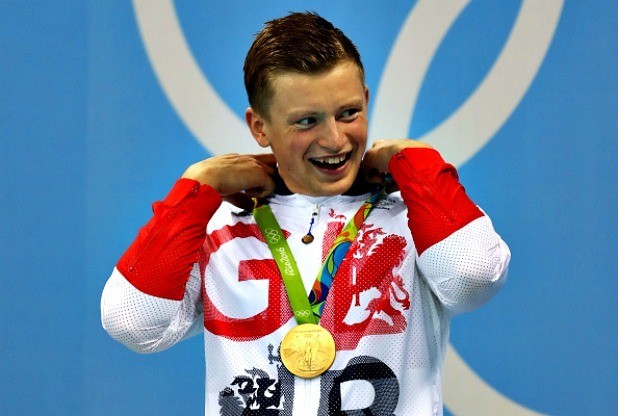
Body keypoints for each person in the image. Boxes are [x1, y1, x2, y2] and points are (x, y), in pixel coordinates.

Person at [101, 11, 510, 415]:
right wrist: (197, 186)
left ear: (367, 100)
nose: (334, 139)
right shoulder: (216, 224)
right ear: (260, 128)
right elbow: (133, 323)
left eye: (348, 113)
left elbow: (473, 277)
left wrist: (412, 159)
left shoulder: (416, 214)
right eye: (307, 121)